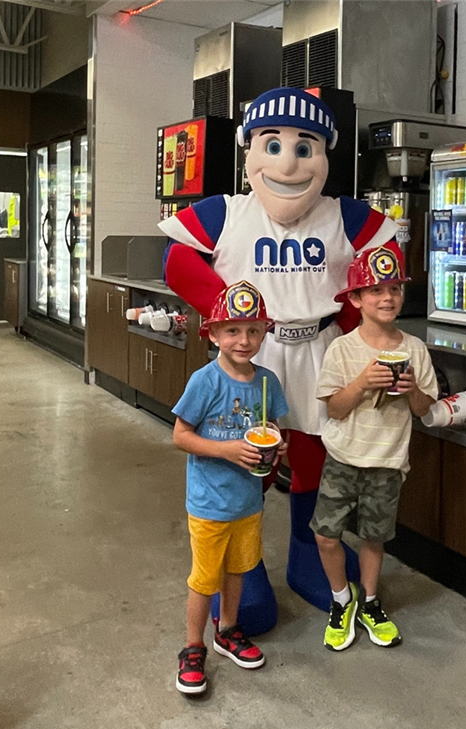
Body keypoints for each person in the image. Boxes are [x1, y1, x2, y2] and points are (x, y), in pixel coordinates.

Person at [161, 87, 405, 611]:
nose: (288, 163)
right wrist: (229, 313)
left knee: (320, 455)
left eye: (304, 147)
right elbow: (177, 261)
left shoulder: (343, 215)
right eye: (272, 146)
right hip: (251, 350)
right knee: (246, 452)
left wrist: (353, 325)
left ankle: (308, 553)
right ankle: (241, 567)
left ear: (325, 154)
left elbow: (384, 262)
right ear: (248, 150)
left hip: (323, 348)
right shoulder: (227, 212)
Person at [312, 247, 437, 650]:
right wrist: (363, 383)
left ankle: (368, 600)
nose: (388, 298)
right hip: (343, 457)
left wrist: (411, 389)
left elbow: (424, 409)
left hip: (387, 460)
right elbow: (334, 408)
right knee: (326, 535)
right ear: (355, 299)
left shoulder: (415, 349)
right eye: (376, 290)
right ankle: (341, 598)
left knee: (374, 537)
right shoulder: (341, 349)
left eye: (395, 289)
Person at [171, 281, 289, 695]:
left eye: (254, 330)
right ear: (214, 333)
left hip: (248, 502)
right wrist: (227, 450)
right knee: (205, 578)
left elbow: (273, 427)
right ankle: (193, 646)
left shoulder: (267, 382)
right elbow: (181, 436)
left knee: (238, 569)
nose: (244, 340)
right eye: (233, 330)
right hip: (209, 503)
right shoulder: (205, 381)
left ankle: (228, 630)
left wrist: (277, 444)